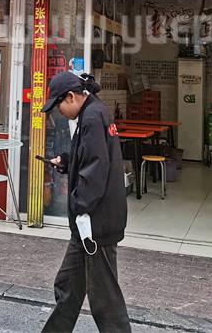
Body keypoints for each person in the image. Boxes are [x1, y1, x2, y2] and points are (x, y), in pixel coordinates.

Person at [41, 71, 130, 333]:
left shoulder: (92, 117)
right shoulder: (93, 112)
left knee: (105, 299)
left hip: (96, 224)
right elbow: (91, 157)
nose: (58, 111)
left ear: (71, 96)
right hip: (87, 226)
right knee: (68, 285)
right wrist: (67, 161)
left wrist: (77, 204)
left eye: (58, 105)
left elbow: (95, 170)